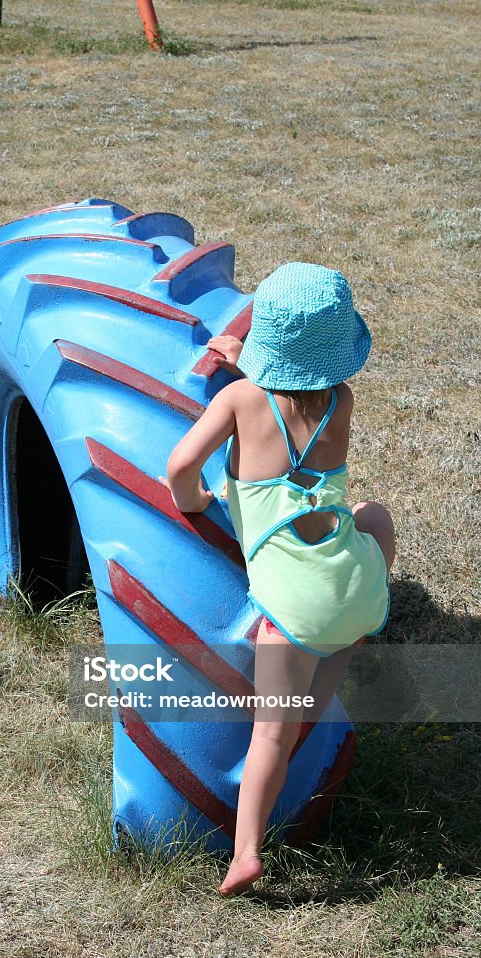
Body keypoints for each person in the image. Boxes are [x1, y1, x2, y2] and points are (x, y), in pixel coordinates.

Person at [161, 262, 395, 896]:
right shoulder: (342, 401)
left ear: (265, 344)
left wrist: (195, 500)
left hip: (291, 608)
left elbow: (181, 465)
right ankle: (341, 650)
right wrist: (249, 364)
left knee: (271, 729)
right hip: (354, 586)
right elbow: (292, 397)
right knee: (373, 516)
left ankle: (245, 851)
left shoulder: (237, 400)